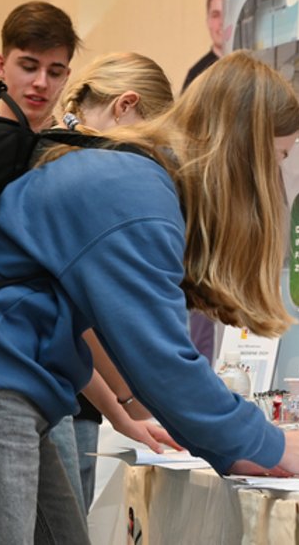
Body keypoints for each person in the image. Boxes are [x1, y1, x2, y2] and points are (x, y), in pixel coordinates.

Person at [0, 51, 299, 543]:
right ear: (247, 153)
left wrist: (236, 446)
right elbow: (161, 362)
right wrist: (272, 445)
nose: (278, 178)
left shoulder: (131, 176)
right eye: (277, 158)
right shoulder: (135, 191)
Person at [51, 52, 177, 512]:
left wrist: (122, 408)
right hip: (40, 397)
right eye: (150, 139)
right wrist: (125, 400)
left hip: (67, 392)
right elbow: (73, 315)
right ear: (125, 106)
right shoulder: (81, 174)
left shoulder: (63, 162)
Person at [0, 1, 80, 131]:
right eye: (29, 67)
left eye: (54, 73)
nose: (41, 83)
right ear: (1, 66)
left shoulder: (76, 151)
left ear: (66, 77)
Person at [182, 0, 224, 90]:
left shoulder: (251, 67)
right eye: (216, 15)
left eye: (227, 13)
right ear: (208, 21)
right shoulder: (197, 75)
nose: (222, 22)